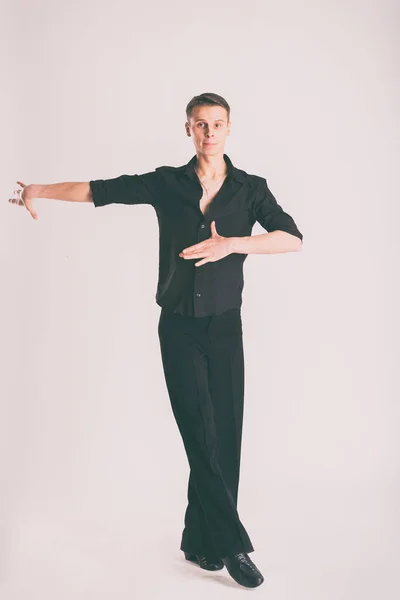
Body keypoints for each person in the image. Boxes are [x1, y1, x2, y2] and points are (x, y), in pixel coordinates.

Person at [9, 92, 303, 588]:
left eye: (218, 124)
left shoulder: (252, 190)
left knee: (226, 437)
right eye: (200, 125)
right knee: (199, 433)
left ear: (230, 129)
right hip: (180, 328)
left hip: (226, 326)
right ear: (187, 129)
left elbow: (292, 237)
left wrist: (231, 243)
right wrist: (39, 188)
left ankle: (198, 540)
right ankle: (231, 544)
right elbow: (100, 190)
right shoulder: (168, 184)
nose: (210, 133)